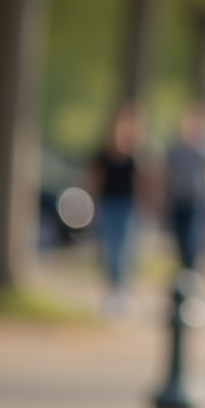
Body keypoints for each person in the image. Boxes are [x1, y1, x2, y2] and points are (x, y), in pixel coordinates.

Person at [86, 102, 146, 316]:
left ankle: (121, 292)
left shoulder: (135, 155)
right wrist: (90, 205)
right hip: (108, 204)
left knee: (125, 250)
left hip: (127, 206)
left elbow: (143, 182)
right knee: (109, 249)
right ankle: (113, 291)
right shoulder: (103, 154)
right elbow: (93, 180)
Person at [164, 102, 205, 272]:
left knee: (193, 239)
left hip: (197, 201)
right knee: (180, 241)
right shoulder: (175, 149)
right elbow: (168, 174)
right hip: (177, 200)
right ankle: (186, 273)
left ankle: (192, 272)